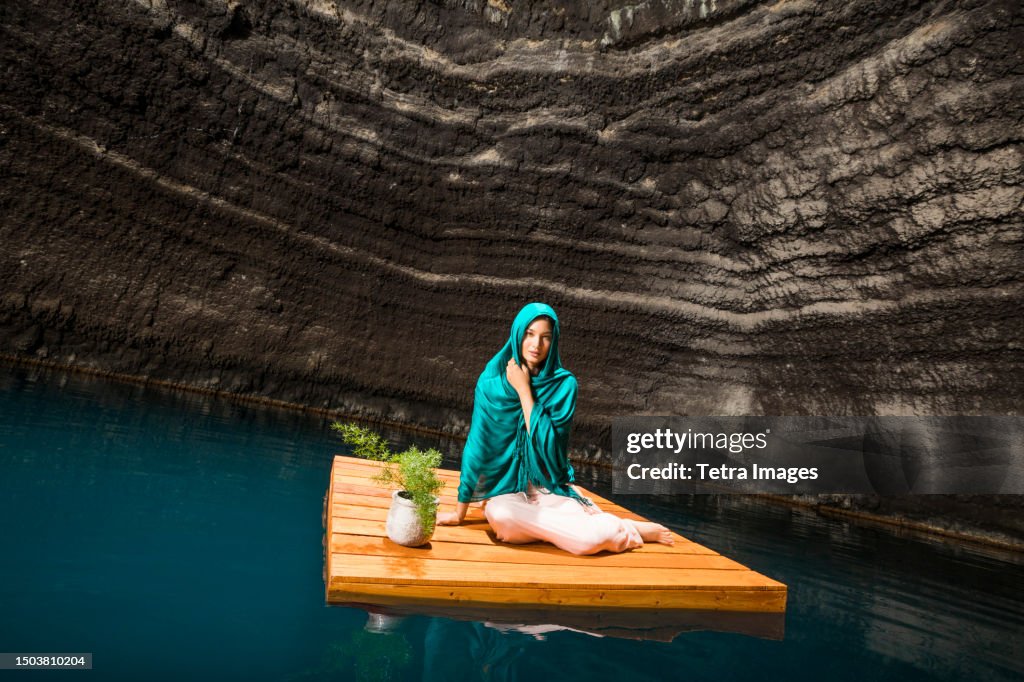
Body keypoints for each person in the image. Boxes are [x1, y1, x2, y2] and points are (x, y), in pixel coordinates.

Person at [436, 302, 673, 555]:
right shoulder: (491, 383)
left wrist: (524, 390)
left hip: (549, 488)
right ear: (517, 334)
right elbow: (478, 446)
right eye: (529, 334)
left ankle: (620, 529)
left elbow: (550, 447)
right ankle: (598, 527)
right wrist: (459, 513)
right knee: (500, 516)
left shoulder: (564, 385)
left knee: (587, 543)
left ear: (554, 341)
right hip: (506, 493)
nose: (536, 345)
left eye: (545, 337)